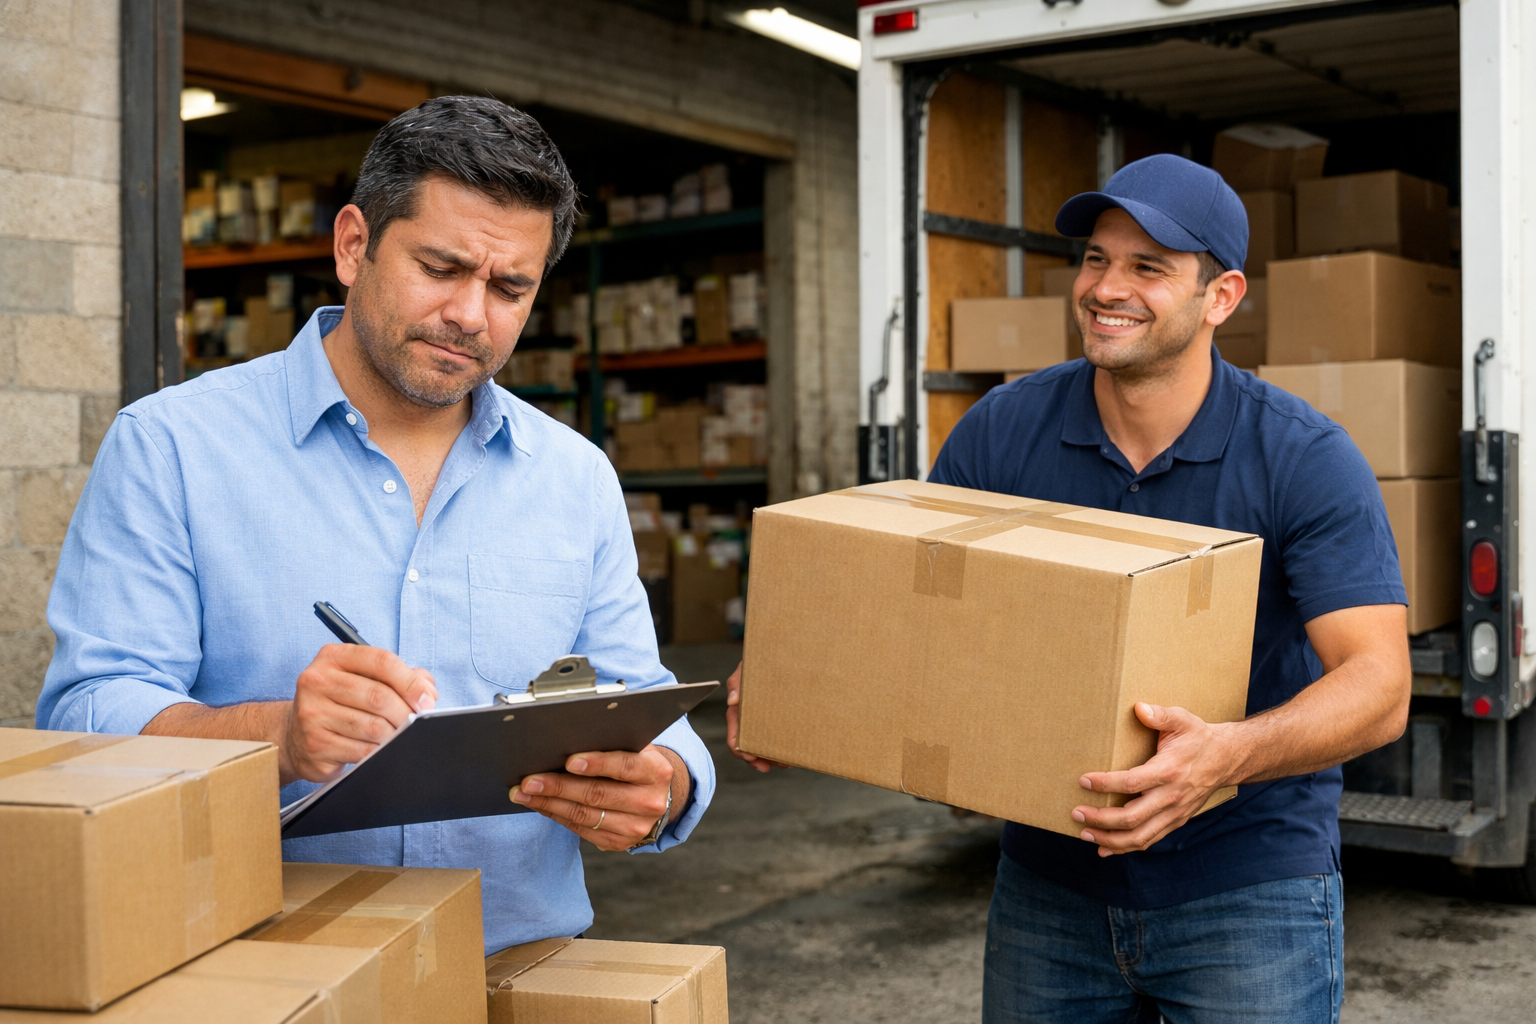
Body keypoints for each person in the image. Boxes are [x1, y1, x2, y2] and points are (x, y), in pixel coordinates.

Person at [726, 154, 1409, 1022]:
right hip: (1049, 887)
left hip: (1247, 887)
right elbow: (916, 611)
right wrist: (806, 689)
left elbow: (1378, 685)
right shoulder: (1005, 432)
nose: (1106, 288)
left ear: (1222, 297)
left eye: (1148, 267)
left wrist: (1226, 756)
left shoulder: (1302, 458)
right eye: (1095, 259)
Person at [38, 95, 715, 954]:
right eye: (441, 268)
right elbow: (87, 718)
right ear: (353, 245)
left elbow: (640, 696)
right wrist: (278, 738)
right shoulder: (172, 448)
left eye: (510, 288)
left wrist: (664, 783)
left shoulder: (574, 479)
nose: (471, 314)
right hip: (261, 969)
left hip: (513, 967)